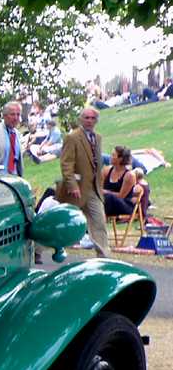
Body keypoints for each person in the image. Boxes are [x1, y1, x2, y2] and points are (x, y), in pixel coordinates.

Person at [57, 106, 108, 257]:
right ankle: (39, 248)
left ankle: (103, 256)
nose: (90, 121)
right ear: (80, 119)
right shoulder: (72, 137)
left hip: (93, 190)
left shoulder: (97, 138)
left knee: (99, 223)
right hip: (76, 190)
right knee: (63, 223)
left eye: (93, 118)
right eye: (86, 118)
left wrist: (99, 185)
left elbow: (96, 164)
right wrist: (72, 185)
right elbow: (66, 163)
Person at [101, 145, 141, 220]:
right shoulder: (106, 171)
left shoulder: (129, 175)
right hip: (107, 202)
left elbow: (121, 196)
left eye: (113, 155)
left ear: (120, 159)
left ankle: (99, 221)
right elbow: (99, 188)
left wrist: (106, 192)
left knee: (109, 197)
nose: (110, 157)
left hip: (124, 205)